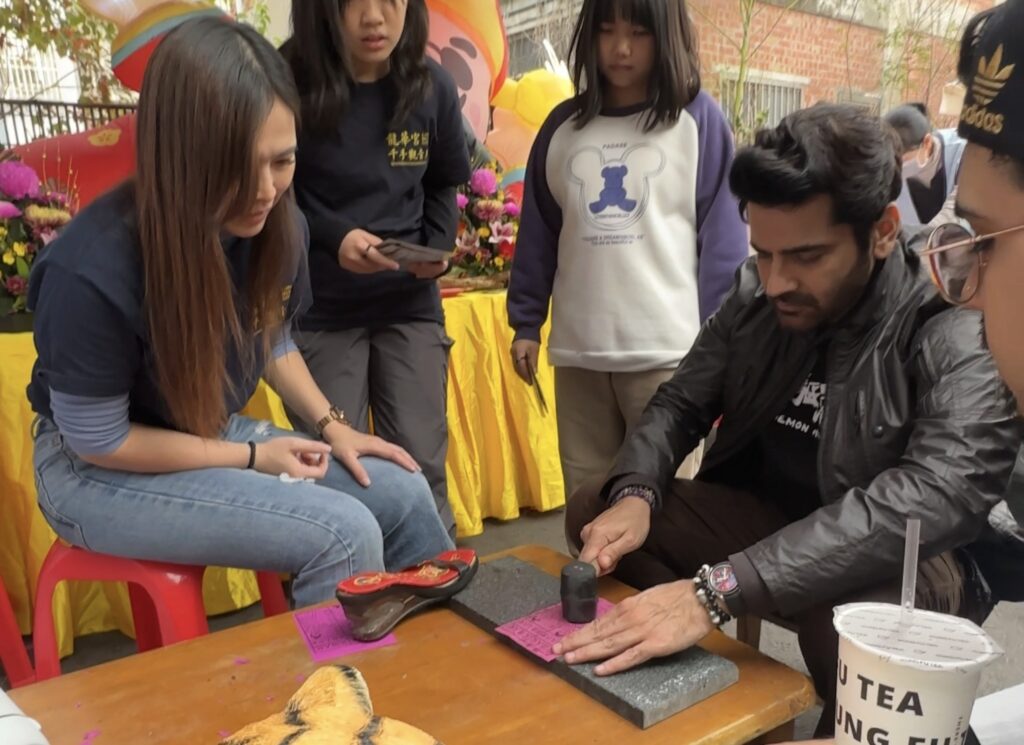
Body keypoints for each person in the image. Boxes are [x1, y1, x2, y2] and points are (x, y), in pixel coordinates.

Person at [556, 102, 1022, 738]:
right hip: (773, 517)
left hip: (916, 556)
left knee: (852, 622)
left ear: (883, 231)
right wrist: (636, 490)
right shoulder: (755, 292)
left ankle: (843, 728)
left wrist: (717, 591)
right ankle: (714, 698)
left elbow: (941, 490)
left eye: (806, 256)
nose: (776, 282)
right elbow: (680, 402)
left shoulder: (947, 309)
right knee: (599, 511)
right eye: (765, 254)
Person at [27, 16, 454, 609]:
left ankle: (435, 661)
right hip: (92, 468)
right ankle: (330, 674)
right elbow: (101, 439)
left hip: (206, 428)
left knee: (405, 493)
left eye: (283, 161)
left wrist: (335, 427)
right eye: (235, 166)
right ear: (177, 154)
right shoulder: (91, 269)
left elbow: (269, 336)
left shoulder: (278, 223)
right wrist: (250, 457)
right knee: (340, 532)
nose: (264, 190)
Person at [507, 0, 748, 499]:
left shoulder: (697, 120)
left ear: (666, 36)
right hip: (579, 354)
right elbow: (538, 235)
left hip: (669, 359)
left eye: (638, 33)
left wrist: (718, 349)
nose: (621, 48)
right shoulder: (562, 128)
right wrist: (526, 322)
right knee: (586, 499)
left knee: (664, 502)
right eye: (607, 31)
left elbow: (724, 245)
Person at [282, 0, 470, 537]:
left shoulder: (430, 85)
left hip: (408, 304)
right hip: (322, 309)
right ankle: (340, 583)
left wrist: (436, 249)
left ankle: (434, 580)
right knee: (335, 473)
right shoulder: (286, 79)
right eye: (354, 2)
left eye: (390, 0)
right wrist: (332, 237)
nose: (374, 17)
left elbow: (442, 182)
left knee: (420, 466)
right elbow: (271, 192)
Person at [885, 103, 966, 241]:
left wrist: (923, 241)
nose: (896, 167)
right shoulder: (887, 170)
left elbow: (958, 208)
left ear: (927, 143)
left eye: (901, 160)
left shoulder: (963, 152)